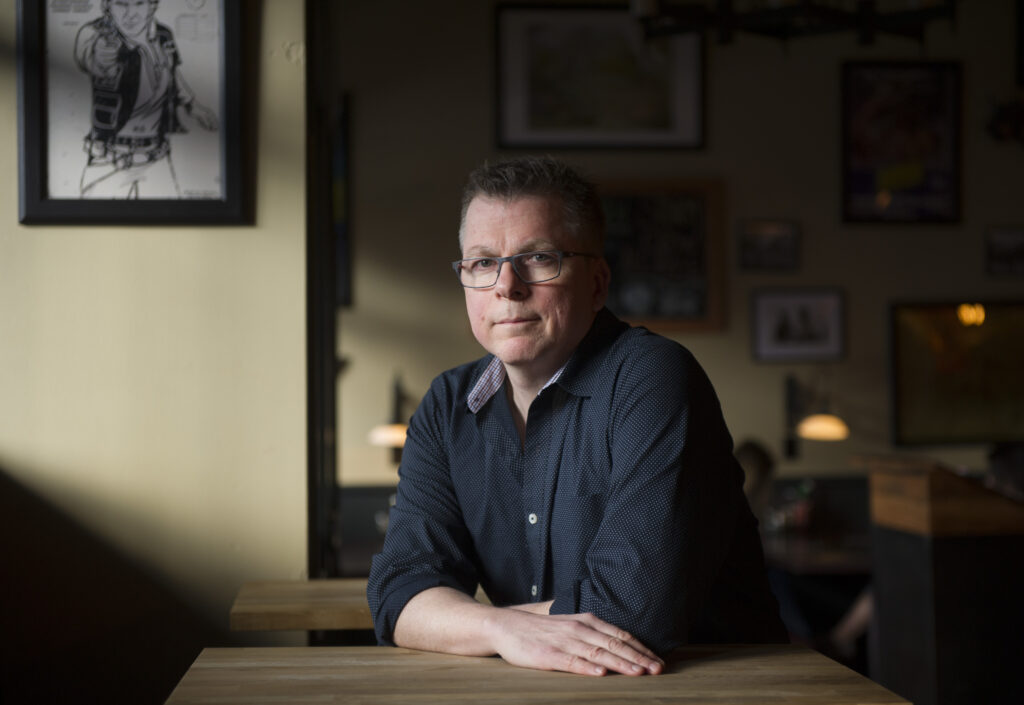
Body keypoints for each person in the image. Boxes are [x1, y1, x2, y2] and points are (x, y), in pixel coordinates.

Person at [367, 157, 786, 677]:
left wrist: (459, 621)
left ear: (597, 282)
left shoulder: (653, 379)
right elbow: (396, 597)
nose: (507, 286)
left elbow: (633, 615)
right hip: (550, 688)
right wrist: (500, 629)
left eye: (539, 258)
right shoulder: (446, 405)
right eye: (481, 263)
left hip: (714, 690)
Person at [73, 0, 218, 198]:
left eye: (139, 3)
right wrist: (103, 55)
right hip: (109, 162)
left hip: (157, 157)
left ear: (152, 5)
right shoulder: (97, 35)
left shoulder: (163, 35)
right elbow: (93, 60)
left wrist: (192, 104)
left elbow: (172, 73)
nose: (131, 14)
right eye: (121, 4)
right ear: (107, 6)